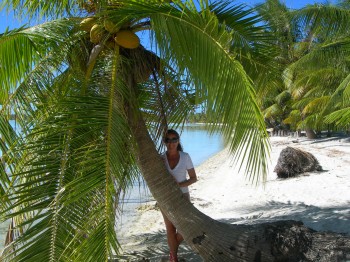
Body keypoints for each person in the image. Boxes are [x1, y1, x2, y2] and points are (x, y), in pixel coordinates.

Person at [161, 129, 198, 262]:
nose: (171, 143)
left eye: (174, 139)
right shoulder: (161, 159)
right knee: (170, 229)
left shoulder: (185, 156)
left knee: (186, 227)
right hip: (165, 198)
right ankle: (174, 258)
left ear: (178, 141)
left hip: (183, 197)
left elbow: (194, 178)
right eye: (168, 140)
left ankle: (173, 252)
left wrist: (179, 185)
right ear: (165, 142)